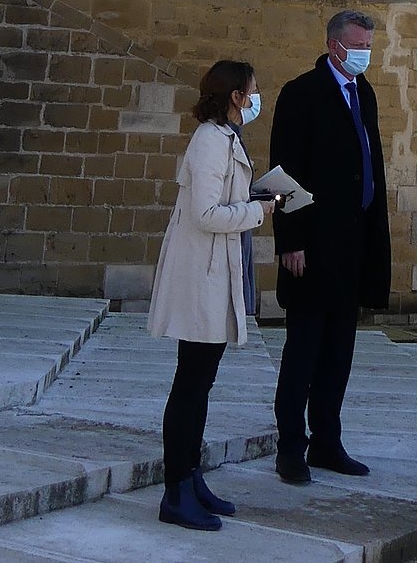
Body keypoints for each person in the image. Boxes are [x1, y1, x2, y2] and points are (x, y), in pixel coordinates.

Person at [148, 59, 274, 532]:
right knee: (190, 385)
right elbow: (205, 212)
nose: (258, 97)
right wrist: (257, 211)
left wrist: (255, 200)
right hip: (201, 275)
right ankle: (175, 490)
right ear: (237, 95)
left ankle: (190, 476)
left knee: (200, 385)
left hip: (216, 273)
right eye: (254, 90)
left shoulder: (226, 138)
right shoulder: (209, 140)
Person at [269, 9, 391, 484]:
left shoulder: (365, 93)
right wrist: (291, 240)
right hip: (313, 248)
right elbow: (284, 173)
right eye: (357, 45)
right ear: (334, 44)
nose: (364, 54)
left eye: (369, 46)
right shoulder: (302, 94)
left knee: (339, 353)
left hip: (353, 247)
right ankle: (290, 448)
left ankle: (326, 440)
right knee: (303, 352)